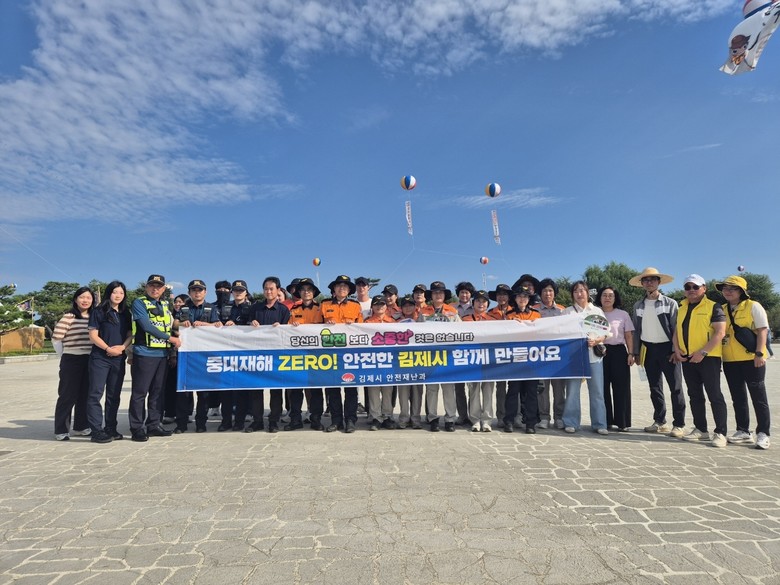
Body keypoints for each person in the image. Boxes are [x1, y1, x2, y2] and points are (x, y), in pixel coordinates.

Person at [671, 275, 728, 447]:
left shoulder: (713, 306)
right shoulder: (681, 307)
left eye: (695, 287)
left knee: (714, 395)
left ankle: (721, 432)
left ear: (704, 288)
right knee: (694, 395)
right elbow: (676, 331)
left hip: (708, 357)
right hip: (687, 358)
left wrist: (703, 352)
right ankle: (701, 429)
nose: (691, 290)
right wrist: (676, 349)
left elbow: (720, 332)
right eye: (687, 287)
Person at [630, 267, 685, 437]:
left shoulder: (670, 303)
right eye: (645, 280)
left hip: (667, 349)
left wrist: (675, 350)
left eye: (652, 279)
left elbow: (676, 329)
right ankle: (660, 421)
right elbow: (636, 330)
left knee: (675, 387)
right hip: (648, 349)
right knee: (654, 387)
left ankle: (679, 424)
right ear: (641, 283)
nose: (649, 283)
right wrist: (636, 352)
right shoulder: (638, 305)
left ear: (659, 282)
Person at [717, 275, 771, 450]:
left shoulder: (753, 306)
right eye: (725, 288)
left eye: (732, 288)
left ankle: (763, 433)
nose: (728, 291)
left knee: (758, 396)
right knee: (738, 397)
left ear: (741, 291)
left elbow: (762, 330)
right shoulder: (721, 309)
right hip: (730, 360)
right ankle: (743, 430)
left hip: (751, 358)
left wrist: (759, 353)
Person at [129, 274, 180, 442]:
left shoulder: (165, 305)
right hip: (145, 353)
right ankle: (137, 428)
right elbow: (146, 326)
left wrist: (186, 325)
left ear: (164, 289)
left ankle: (154, 424)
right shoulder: (139, 303)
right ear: (146, 287)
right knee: (140, 392)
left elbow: (171, 326)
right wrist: (171, 339)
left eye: (159, 286)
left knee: (158, 392)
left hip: (162, 355)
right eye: (152, 285)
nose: (155, 289)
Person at [86, 281, 132, 443]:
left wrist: (123, 347)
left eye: (121, 293)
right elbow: (93, 336)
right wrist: (107, 348)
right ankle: (96, 430)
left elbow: (130, 335)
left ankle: (111, 427)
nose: (118, 295)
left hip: (118, 358)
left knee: (114, 395)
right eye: (115, 292)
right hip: (100, 358)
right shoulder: (99, 311)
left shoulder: (126, 313)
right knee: (95, 394)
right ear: (109, 293)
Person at [174, 279, 223, 433]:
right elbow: (173, 325)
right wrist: (181, 324)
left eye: (200, 290)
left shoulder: (212, 308)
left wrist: (205, 325)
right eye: (194, 290)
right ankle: (181, 423)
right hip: (186, 356)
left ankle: (201, 423)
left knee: (204, 392)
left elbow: (218, 326)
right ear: (189, 292)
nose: (197, 293)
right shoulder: (183, 308)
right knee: (183, 391)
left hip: (204, 356)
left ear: (205, 292)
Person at [562, 281, 609, 435]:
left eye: (582, 290)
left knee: (597, 391)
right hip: (573, 359)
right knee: (572, 391)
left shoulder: (596, 311)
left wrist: (596, 340)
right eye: (575, 291)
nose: (579, 294)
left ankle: (599, 423)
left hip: (594, 357)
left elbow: (606, 333)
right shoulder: (567, 312)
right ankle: (571, 422)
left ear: (588, 293)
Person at [321, 275, 363, 432]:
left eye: (345, 286)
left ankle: (350, 420)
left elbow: (362, 329)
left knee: (351, 388)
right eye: (339, 285)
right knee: (333, 389)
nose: (342, 288)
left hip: (350, 353)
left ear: (349, 290)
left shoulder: (355, 305)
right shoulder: (324, 304)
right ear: (334, 288)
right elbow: (314, 326)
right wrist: (325, 325)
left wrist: (354, 326)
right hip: (329, 353)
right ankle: (336, 421)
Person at [52, 286, 95, 441]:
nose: (85, 300)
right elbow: (56, 339)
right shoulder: (69, 317)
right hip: (71, 359)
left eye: (88, 298)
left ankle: (81, 426)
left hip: (89, 360)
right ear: (76, 299)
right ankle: (61, 429)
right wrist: (64, 356)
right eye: (82, 297)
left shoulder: (94, 317)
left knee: (85, 395)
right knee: (67, 395)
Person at [248, 277, 291, 433]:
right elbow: (244, 328)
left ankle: (274, 421)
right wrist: (251, 324)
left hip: (276, 356)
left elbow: (289, 333)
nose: (268, 291)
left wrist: (282, 327)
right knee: (256, 390)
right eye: (266, 288)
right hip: (257, 354)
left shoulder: (284, 310)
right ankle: (257, 421)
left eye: (271, 288)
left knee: (276, 391)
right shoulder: (255, 308)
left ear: (278, 290)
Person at [419, 281, 461, 432]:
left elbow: (462, 332)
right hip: (430, 355)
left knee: (448, 388)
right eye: (435, 292)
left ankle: (450, 419)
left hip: (448, 355)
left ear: (445, 295)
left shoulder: (452, 311)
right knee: (431, 389)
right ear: (431, 295)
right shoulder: (423, 312)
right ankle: (432, 418)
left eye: (441, 292)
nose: (438, 295)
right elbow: (417, 333)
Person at [287, 277, 325, 431]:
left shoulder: (321, 309)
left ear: (314, 292)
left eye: (309, 290)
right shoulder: (293, 310)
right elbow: (286, 331)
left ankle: (316, 419)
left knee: (316, 390)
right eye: (302, 290)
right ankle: (295, 419)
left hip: (317, 356)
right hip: (297, 355)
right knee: (296, 390)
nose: (306, 292)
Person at [595, 286, 635, 432]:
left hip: (619, 352)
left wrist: (631, 353)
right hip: (599, 351)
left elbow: (628, 335)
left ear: (615, 298)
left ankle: (622, 422)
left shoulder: (623, 314)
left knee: (621, 388)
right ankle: (605, 421)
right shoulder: (595, 313)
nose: (607, 298)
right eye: (604, 295)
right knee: (602, 387)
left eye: (610, 295)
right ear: (600, 297)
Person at [504, 286, 541, 433]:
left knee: (531, 391)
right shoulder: (509, 315)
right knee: (513, 390)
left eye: (525, 296)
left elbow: (541, 333)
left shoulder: (536, 315)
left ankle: (530, 423)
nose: (522, 299)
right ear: (515, 298)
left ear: (529, 299)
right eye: (519, 296)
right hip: (515, 359)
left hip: (532, 359)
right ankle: (509, 421)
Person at [220, 280, 253, 432]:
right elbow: (217, 324)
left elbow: (253, 327)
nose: (238, 293)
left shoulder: (252, 308)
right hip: (226, 353)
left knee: (242, 391)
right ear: (232, 292)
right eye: (236, 290)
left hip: (244, 353)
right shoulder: (224, 307)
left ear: (246, 292)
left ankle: (239, 421)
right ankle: (226, 421)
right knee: (226, 390)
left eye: (241, 290)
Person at [462, 290, 496, 431]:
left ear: (488, 304)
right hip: (472, 360)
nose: (481, 304)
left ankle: (487, 420)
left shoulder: (494, 321)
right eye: (478, 301)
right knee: (474, 390)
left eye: (484, 301)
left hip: (489, 360)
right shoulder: (465, 320)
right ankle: (475, 419)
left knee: (488, 390)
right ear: (473, 303)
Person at [536, 278, 566, 429]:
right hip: (540, 355)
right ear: (540, 293)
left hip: (558, 356)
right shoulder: (534, 310)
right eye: (544, 291)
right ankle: (544, 417)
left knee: (559, 389)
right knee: (542, 388)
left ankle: (559, 417)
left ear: (554, 293)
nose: (547, 294)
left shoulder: (563, 311)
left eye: (550, 291)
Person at [364, 295, 397, 430]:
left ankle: (387, 416)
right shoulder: (366, 323)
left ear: (386, 306)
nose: (379, 307)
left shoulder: (393, 322)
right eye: (376, 304)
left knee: (388, 390)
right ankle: (375, 417)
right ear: (372, 307)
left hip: (389, 360)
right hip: (372, 360)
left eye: (382, 304)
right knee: (373, 391)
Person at [487, 283, 514, 428]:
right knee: (500, 388)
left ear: (509, 297)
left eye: (504, 294)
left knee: (515, 387)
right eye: (499, 294)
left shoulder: (515, 312)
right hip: (496, 355)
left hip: (514, 354)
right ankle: (501, 416)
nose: (502, 297)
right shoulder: (490, 313)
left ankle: (515, 416)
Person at [396, 295, 424, 429]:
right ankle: (403, 418)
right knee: (403, 392)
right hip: (401, 360)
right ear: (401, 308)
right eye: (405, 306)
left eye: (410, 305)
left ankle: (416, 418)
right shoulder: (395, 323)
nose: (408, 308)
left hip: (418, 360)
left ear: (415, 307)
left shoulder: (421, 321)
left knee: (417, 392)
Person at [450, 281, 475, 425]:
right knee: (458, 387)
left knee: (472, 386)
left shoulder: (477, 306)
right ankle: (462, 415)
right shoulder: (451, 308)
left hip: (472, 351)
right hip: (455, 351)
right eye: (462, 292)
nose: (464, 295)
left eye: (467, 292)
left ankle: (473, 415)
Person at [162, 293, 189, 425]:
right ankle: (170, 412)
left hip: (186, 356)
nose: (178, 304)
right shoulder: (169, 316)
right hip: (171, 355)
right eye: (176, 302)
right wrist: (172, 355)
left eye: (181, 302)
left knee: (186, 387)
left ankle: (186, 414)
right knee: (170, 385)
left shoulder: (189, 316)